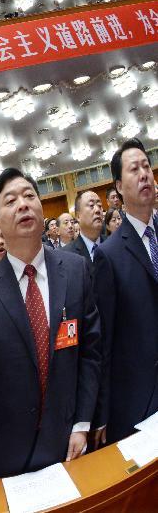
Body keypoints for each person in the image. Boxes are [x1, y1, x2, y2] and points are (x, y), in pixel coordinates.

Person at [0, 168, 100, 484]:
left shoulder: (75, 271)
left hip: (68, 442)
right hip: (1, 451)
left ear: (43, 209)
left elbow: (90, 354)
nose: (23, 205)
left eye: (30, 196)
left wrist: (82, 423)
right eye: (10, 200)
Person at [92, 138, 158, 446]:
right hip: (142, 400)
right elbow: (104, 339)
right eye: (134, 169)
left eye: (146, 166)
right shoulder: (109, 255)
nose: (144, 174)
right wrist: (103, 411)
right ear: (118, 187)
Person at [63, 191, 104, 265]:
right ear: (78, 216)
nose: (98, 210)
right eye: (91, 205)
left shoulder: (115, 245)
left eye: (99, 205)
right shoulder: (66, 255)